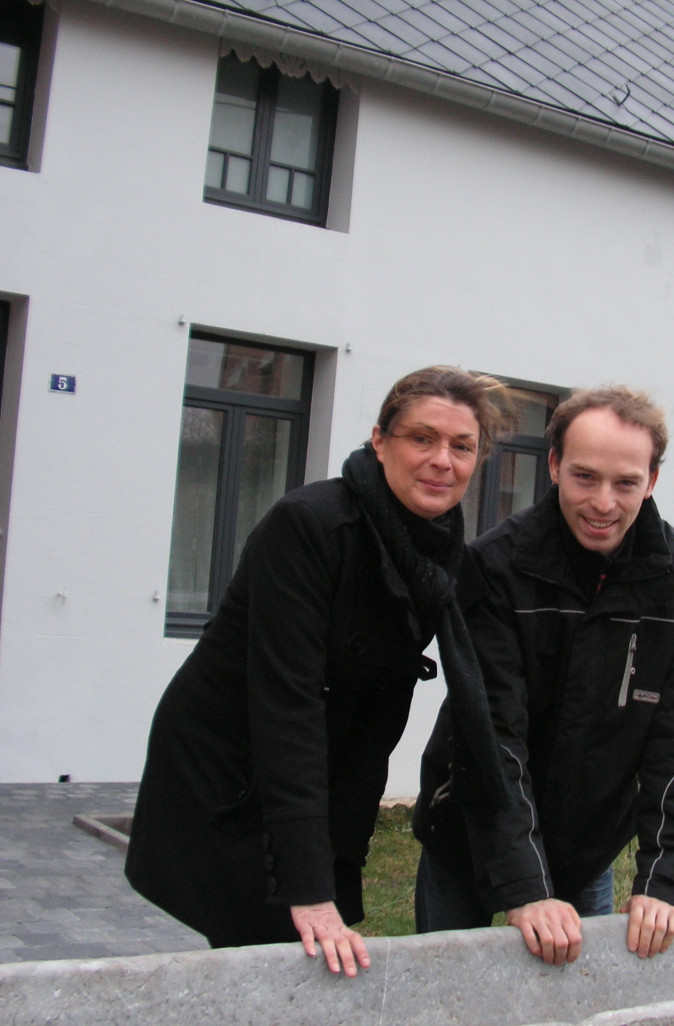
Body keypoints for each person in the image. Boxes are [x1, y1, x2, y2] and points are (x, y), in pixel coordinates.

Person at [125, 366, 512, 977]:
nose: (443, 460)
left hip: (321, 770)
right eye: (422, 438)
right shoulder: (310, 525)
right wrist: (308, 884)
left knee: (298, 958)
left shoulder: (440, 552)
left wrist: (333, 861)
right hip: (227, 765)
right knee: (273, 952)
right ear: (379, 441)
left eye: (462, 446)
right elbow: (288, 705)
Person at [413, 386, 674, 967]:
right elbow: (494, 736)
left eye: (625, 483)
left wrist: (664, 879)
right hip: (468, 833)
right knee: (449, 995)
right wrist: (527, 888)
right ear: (553, 466)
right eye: (584, 477)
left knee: (572, 1000)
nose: (603, 502)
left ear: (651, 480)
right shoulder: (492, 566)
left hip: (585, 845)